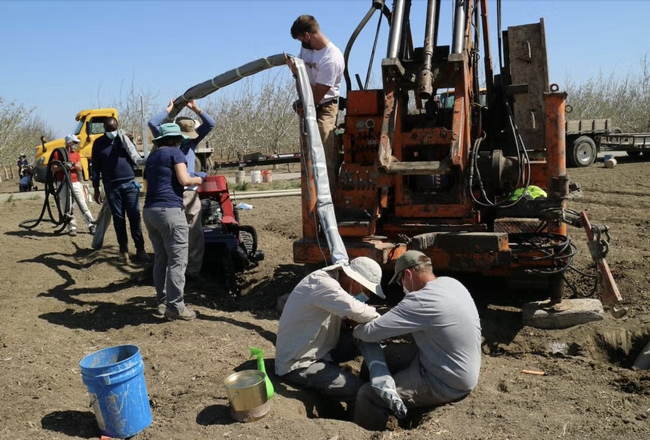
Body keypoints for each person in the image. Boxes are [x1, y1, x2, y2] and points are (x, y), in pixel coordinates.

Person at [352, 250, 482, 431]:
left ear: (407, 274)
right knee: (383, 358)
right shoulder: (452, 284)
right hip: (454, 362)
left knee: (367, 394)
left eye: (400, 282)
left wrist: (353, 325)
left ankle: (369, 428)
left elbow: (369, 333)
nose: (402, 287)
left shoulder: (420, 301)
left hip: (445, 380)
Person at [275, 257, 386, 416]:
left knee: (359, 339)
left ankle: (366, 376)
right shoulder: (323, 284)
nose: (366, 296)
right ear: (355, 281)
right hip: (299, 362)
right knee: (360, 391)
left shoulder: (335, 283)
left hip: (320, 348)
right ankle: (360, 424)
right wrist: (387, 324)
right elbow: (356, 310)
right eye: (366, 291)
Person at [143, 123, 205, 320]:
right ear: (177, 139)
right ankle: (176, 307)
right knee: (178, 260)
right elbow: (184, 180)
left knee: (161, 258)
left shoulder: (152, 157)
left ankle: (162, 302)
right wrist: (199, 179)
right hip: (169, 211)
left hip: (150, 211)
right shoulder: (175, 153)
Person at [148, 99, 214, 283]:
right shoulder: (167, 142)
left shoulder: (192, 142)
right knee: (174, 236)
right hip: (173, 194)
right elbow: (153, 123)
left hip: (189, 193)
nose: (185, 139)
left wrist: (197, 109)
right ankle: (174, 272)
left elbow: (210, 123)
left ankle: (191, 272)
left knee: (194, 234)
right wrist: (170, 110)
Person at [287, 14, 345, 191]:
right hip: (308, 104)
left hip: (325, 108)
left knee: (324, 159)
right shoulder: (307, 49)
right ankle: (312, 204)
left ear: (307, 35)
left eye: (300, 40)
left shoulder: (331, 59)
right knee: (308, 158)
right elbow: (305, 88)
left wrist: (296, 74)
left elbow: (316, 96)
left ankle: (331, 206)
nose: (300, 45)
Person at [91, 117, 149, 263]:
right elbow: (96, 168)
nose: (112, 132)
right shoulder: (98, 143)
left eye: (114, 129)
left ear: (117, 127)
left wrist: (130, 141)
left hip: (129, 183)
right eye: (109, 130)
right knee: (119, 219)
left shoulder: (124, 140)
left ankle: (140, 249)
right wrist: (96, 189)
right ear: (104, 128)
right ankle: (123, 251)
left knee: (135, 217)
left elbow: (134, 155)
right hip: (111, 186)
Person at [50, 135, 95, 236]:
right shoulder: (58, 153)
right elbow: (53, 167)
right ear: (69, 143)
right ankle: (71, 227)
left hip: (75, 182)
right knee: (67, 206)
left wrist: (72, 164)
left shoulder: (76, 154)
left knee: (82, 204)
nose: (76, 145)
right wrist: (63, 166)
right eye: (74, 143)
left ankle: (91, 224)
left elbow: (80, 167)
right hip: (62, 182)